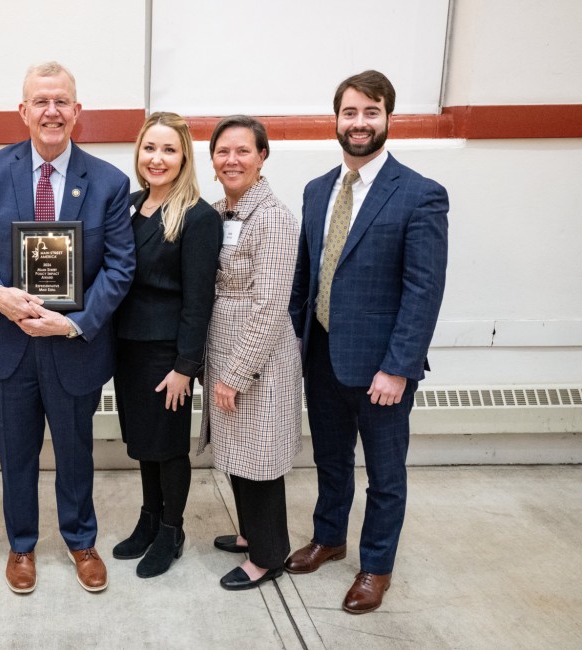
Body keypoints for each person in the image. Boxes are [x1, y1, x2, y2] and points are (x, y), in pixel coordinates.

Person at [0, 61, 135, 594]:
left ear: (77, 112)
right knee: (16, 454)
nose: (51, 111)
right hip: (8, 346)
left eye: (62, 102)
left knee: (76, 452)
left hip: (74, 347)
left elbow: (120, 267)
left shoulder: (108, 181)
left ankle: (81, 541)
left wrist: (75, 323)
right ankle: (22, 545)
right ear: (24, 111)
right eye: (41, 101)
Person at [287, 70, 448, 614]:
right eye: (350, 112)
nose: (359, 123)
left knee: (385, 475)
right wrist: (294, 348)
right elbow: (304, 282)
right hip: (322, 358)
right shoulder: (316, 191)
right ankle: (330, 538)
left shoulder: (421, 194)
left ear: (388, 119)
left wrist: (398, 366)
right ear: (336, 119)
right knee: (330, 461)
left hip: (382, 369)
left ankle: (375, 566)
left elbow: (423, 290)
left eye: (370, 112)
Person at [111, 112, 221, 578]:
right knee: (142, 444)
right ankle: (149, 520)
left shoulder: (198, 216)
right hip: (128, 349)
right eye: (150, 148)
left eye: (168, 150)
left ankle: (172, 531)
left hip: (166, 355)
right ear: (139, 152)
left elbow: (199, 302)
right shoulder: (130, 206)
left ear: (183, 158)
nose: (157, 158)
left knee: (169, 447)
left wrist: (185, 366)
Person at [196, 115, 303, 591]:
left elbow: (270, 306)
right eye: (223, 152)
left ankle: (267, 556)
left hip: (259, 362)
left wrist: (235, 375)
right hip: (227, 352)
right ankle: (249, 534)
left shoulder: (274, 217)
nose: (231, 160)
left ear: (262, 157)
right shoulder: (222, 212)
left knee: (260, 459)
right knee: (240, 453)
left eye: (243, 151)